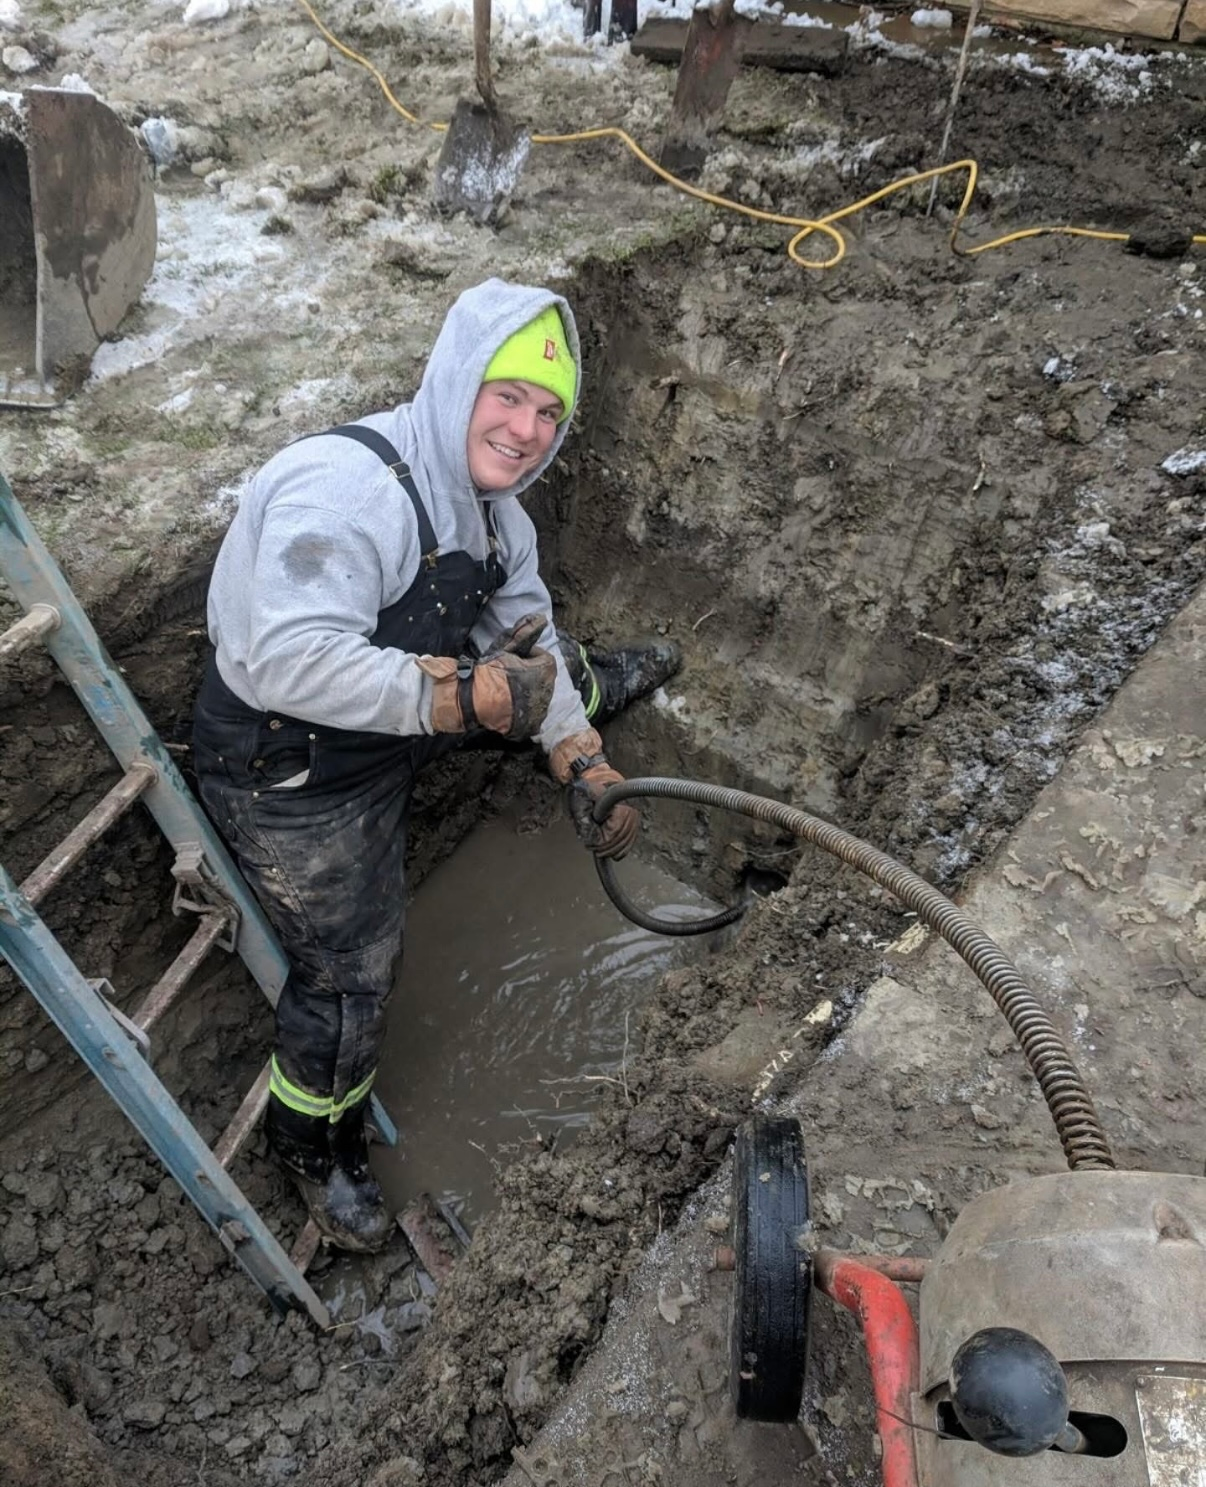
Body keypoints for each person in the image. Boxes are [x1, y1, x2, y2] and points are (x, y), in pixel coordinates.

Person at [192, 279, 680, 1252]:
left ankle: (596, 689)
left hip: (392, 724)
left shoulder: (499, 515)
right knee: (350, 972)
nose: (527, 427)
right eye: (508, 396)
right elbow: (286, 659)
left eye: (548, 412)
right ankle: (312, 1145)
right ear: (458, 382)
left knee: (560, 668)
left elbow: (526, 646)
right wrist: (463, 698)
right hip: (290, 767)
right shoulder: (350, 493)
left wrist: (579, 753)